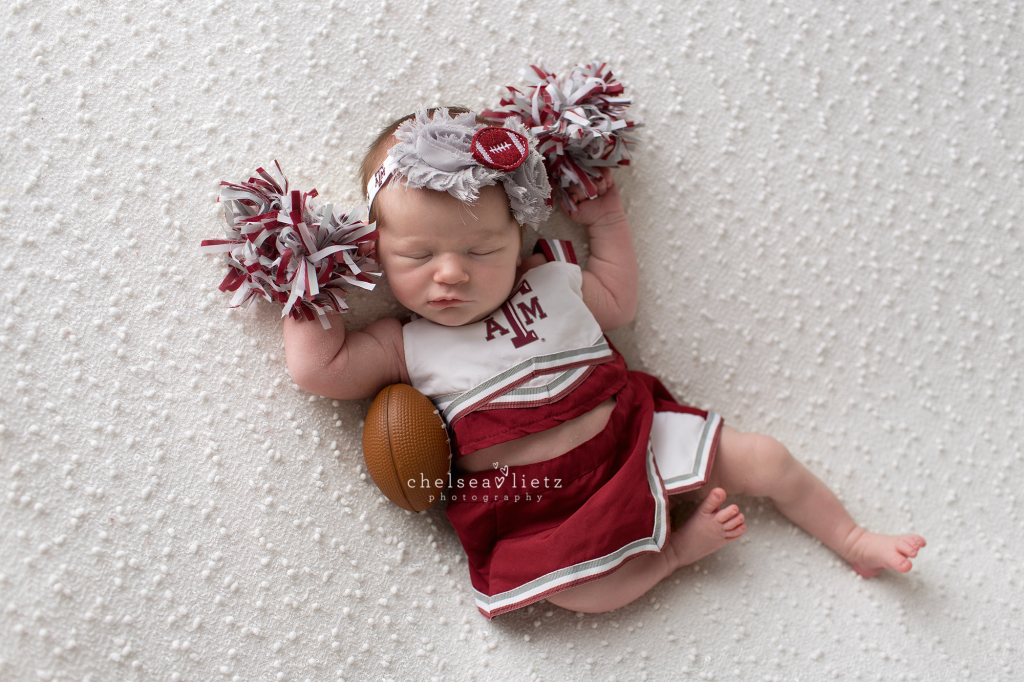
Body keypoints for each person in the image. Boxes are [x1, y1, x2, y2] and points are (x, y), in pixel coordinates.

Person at [282, 107, 926, 619]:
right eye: (418, 257)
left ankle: (853, 539)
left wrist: (607, 217)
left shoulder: (550, 280)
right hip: (540, 506)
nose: (451, 273)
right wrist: (308, 278)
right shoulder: (405, 343)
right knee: (579, 591)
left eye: (481, 249)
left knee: (769, 458)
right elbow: (321, 370)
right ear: (376, 254)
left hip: (632, 437)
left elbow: (616, 299)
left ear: (520, 238)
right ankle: (672, 554)